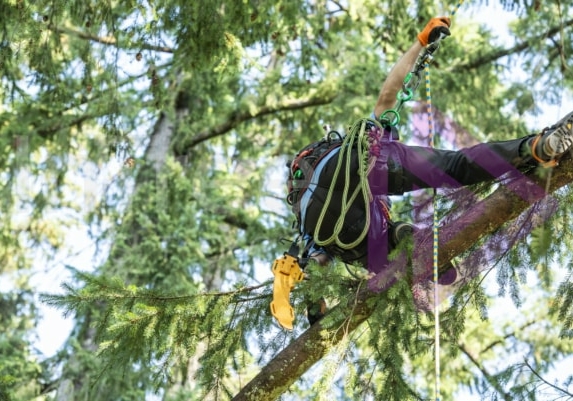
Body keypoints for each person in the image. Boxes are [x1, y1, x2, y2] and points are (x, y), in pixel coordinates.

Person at [285, 17, 573, 322]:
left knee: (375, 255)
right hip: (351, 167)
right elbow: (388, 96)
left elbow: (319, 256)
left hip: (315, 215)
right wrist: (420, 43)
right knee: (453, 166)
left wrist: (316, 292)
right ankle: (535, 148)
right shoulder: (372, 154)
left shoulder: (320, 215)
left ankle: (400, 243)